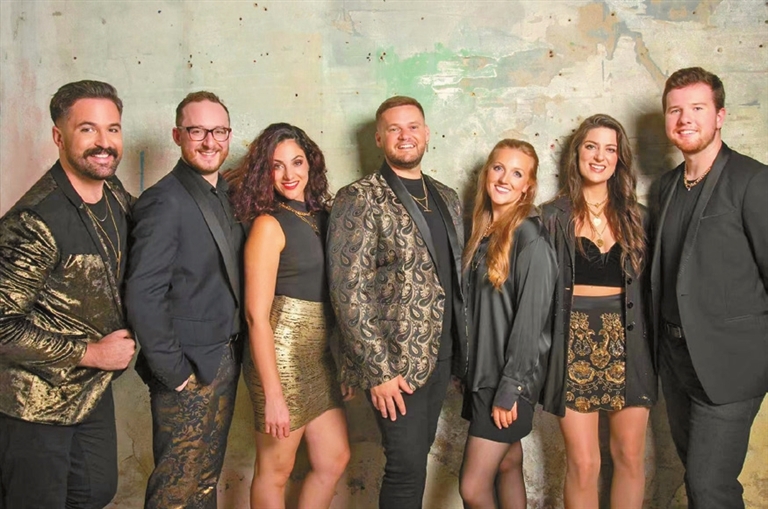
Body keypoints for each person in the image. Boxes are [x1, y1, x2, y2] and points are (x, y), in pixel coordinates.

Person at [327, 96, 468, 509]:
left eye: (413, 127)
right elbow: (348, 290)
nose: (405, 136)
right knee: (405, 467)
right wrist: (378, 371)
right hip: (393, 363)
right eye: (394, 129)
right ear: (379, 138)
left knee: (416, 461)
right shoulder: (359, 197)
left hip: (441, 356)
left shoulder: (447, 196)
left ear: (427, 133)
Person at [0, 80, 135, 508]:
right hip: (34, 402)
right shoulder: (33, 220)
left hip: (90, 392)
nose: (104, 143)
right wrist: (94, 353)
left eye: (112, 129)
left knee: (95, 491)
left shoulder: (113, 193)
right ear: (59, 136)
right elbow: (2, 326)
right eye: (87, 129)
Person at [650, 67, 768, 509]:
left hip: (731, 364)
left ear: (720, 116)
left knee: (708, 487)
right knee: (704, 484)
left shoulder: (753, 181)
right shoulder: (665, 187)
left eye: (697, 108)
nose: (685, 119)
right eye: (675, 110)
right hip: (676, 362)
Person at [124, 91, 245, 508]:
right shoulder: (164, 200)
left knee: (206, 482)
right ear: (178, 135)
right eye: (197, 131)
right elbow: (143, 292)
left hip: (226, 358)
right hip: (187, 368)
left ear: (229, 135)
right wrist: (174, 372)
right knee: (174, 490)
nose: (210, 141)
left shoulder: (226, 194)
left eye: (219, 131)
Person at [229, 123, 351, 509]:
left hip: (318, 355)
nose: (288, 175)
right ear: (263, 172)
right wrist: (273, 395)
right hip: (279, 356)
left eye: (297, 162)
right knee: (275, 471)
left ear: (311, 164)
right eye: (276, 166)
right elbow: (255, 317)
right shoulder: (268, 225)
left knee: (334, 458)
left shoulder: (323, 216)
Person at [540, 114, 657, 508]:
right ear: (577, 154)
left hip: (629, 345)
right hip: (571, 346)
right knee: (584, 463)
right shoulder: (550, 217)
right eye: (591, 146)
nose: (599, 156)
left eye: (610, 149)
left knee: (629, 457)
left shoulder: (639, 217)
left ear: (619, 158)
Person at [458, 140, 557, 509]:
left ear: (527, 186)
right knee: (508, 464)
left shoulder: (530, 238)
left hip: (506, 381)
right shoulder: (484, 232)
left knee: (472, 488)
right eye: (498, 168)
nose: (504, 179)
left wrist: (510, 388)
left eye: (517, 173)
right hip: (483, 376)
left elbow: (532, 322)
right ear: (487, 173)